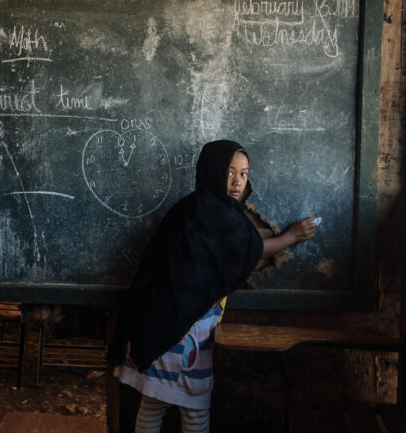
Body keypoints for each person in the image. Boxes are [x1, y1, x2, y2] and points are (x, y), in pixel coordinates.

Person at [107, 140, 316, 433]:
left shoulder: (196, 207)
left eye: (244, 173)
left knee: (159, 405)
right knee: (190, 411)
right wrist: (292, 236)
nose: (237, 181)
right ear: (211, 171)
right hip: (181, 329)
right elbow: (249, 250)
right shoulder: (213, 213)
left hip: (170, 323)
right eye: (229, 171)